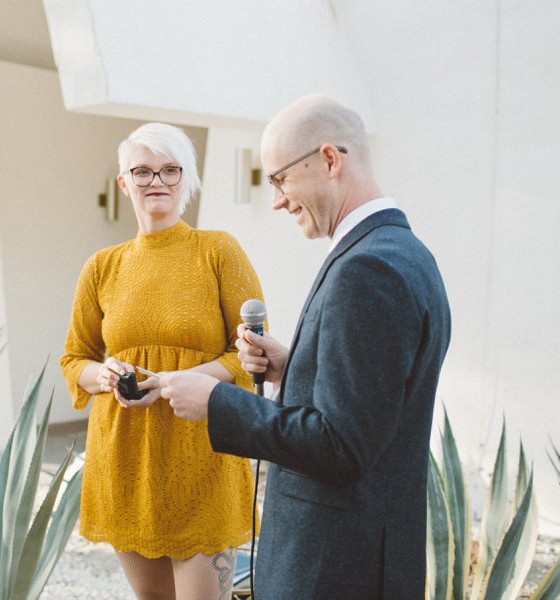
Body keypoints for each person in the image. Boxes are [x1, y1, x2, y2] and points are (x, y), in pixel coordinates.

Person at [159, 95, 451, 599]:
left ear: (330, 160)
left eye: (281, 179)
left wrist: (217, 403)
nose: (276, 200)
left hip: (335, 570)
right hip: (363, 558)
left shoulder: (367, 270)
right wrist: (294, 367)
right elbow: (378, 401)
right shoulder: (405, 251)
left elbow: (341, 445)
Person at [60, 123, 266, 599]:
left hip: (204, 455)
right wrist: (104, 374)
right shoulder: (101, 266)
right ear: (124, 182)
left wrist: (177, 380)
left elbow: (250, 354)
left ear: (186, 179)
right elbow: (76, 359)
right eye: (143, 170)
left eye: (170, 170)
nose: (157, 181)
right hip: (125, 459)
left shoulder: (218, 250)